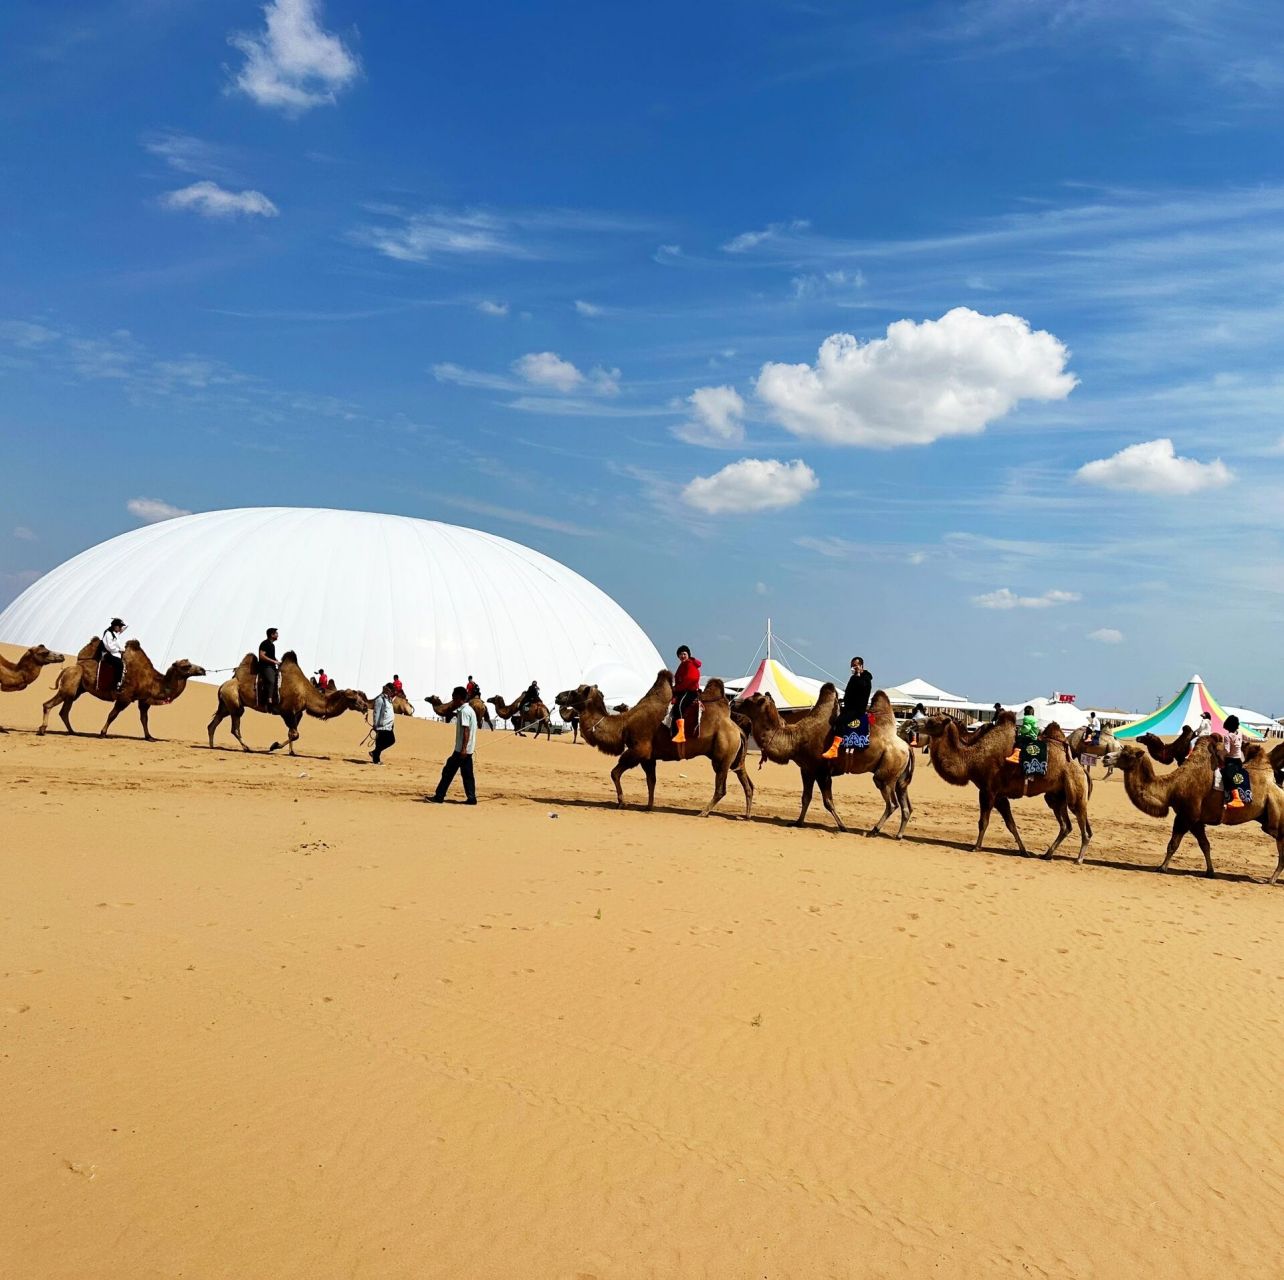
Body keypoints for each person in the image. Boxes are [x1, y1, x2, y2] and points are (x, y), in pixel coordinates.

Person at [427, 685, 478, 804]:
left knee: (448, 772)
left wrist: (463, 749)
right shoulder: (470, 710)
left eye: (454, 697)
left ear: (459, 697)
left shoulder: (464, 712)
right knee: (467, 775)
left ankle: (439, 796)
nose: (452, 699)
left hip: (461, 750)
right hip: (467, 750)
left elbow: (466, 730)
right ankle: (471, 798)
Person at [823, 656, 873, 759]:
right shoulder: (853, 678)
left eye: (855, 666)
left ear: (861, 666)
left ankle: (834, 749)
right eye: (852, 666)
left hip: (857, 709)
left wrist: (859, 674)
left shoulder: (866, 678)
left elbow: (863, 689)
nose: (853, 668)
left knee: (840, 721)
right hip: (848, 707)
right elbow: (849, 692)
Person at [671, 645, 702, 744]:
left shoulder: (690, 664)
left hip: (689, 691)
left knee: (679, 707)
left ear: (688, 655)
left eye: (684, 654)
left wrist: (677, 688)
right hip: (682, 690)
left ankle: (681, 733)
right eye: (680, 654)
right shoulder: (682, 665)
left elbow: (691, 679)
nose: (682, 656)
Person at [1222, 714, 1246, 809]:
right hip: (1239, 762)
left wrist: (1220, 753)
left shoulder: (1227, 736)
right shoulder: (1239, 733)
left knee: (1226, 776)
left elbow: (1227, 751)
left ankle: (1235, 799)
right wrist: (1263, 739)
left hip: (1230, 761)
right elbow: (1250, 738)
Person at [369, 682, 397, 765]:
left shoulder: (388, 699)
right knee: (390, 740)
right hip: (382, 725)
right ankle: (375, 754)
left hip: (389, 725)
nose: (392, 692)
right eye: (391, 690)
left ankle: (376, 758)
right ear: (387, 690)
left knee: (380, 742)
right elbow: (376, 712)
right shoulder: (380, 699)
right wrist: (375, 724)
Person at [100, 617, 129, 691]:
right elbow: (109, 647)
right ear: (115, 626)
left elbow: (126, 626)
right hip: (108, 654)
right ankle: (117, 684)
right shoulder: (108, 634)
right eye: (119, 626)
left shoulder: (116, 633)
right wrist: (119, 650)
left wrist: (120, 619)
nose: (120, 628)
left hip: (116, 653)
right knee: (119, 664)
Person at [258, 627, 281, 709]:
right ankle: (269, 700)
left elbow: (271, 656)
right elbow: (262, 656)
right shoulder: (265, 643)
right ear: (272, 635)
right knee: (271, 680)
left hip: (271, 666)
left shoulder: (271, 645)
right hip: (265, 666)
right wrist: (274, 662)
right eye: (276, 633)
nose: (278, 635)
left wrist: (277, 661)